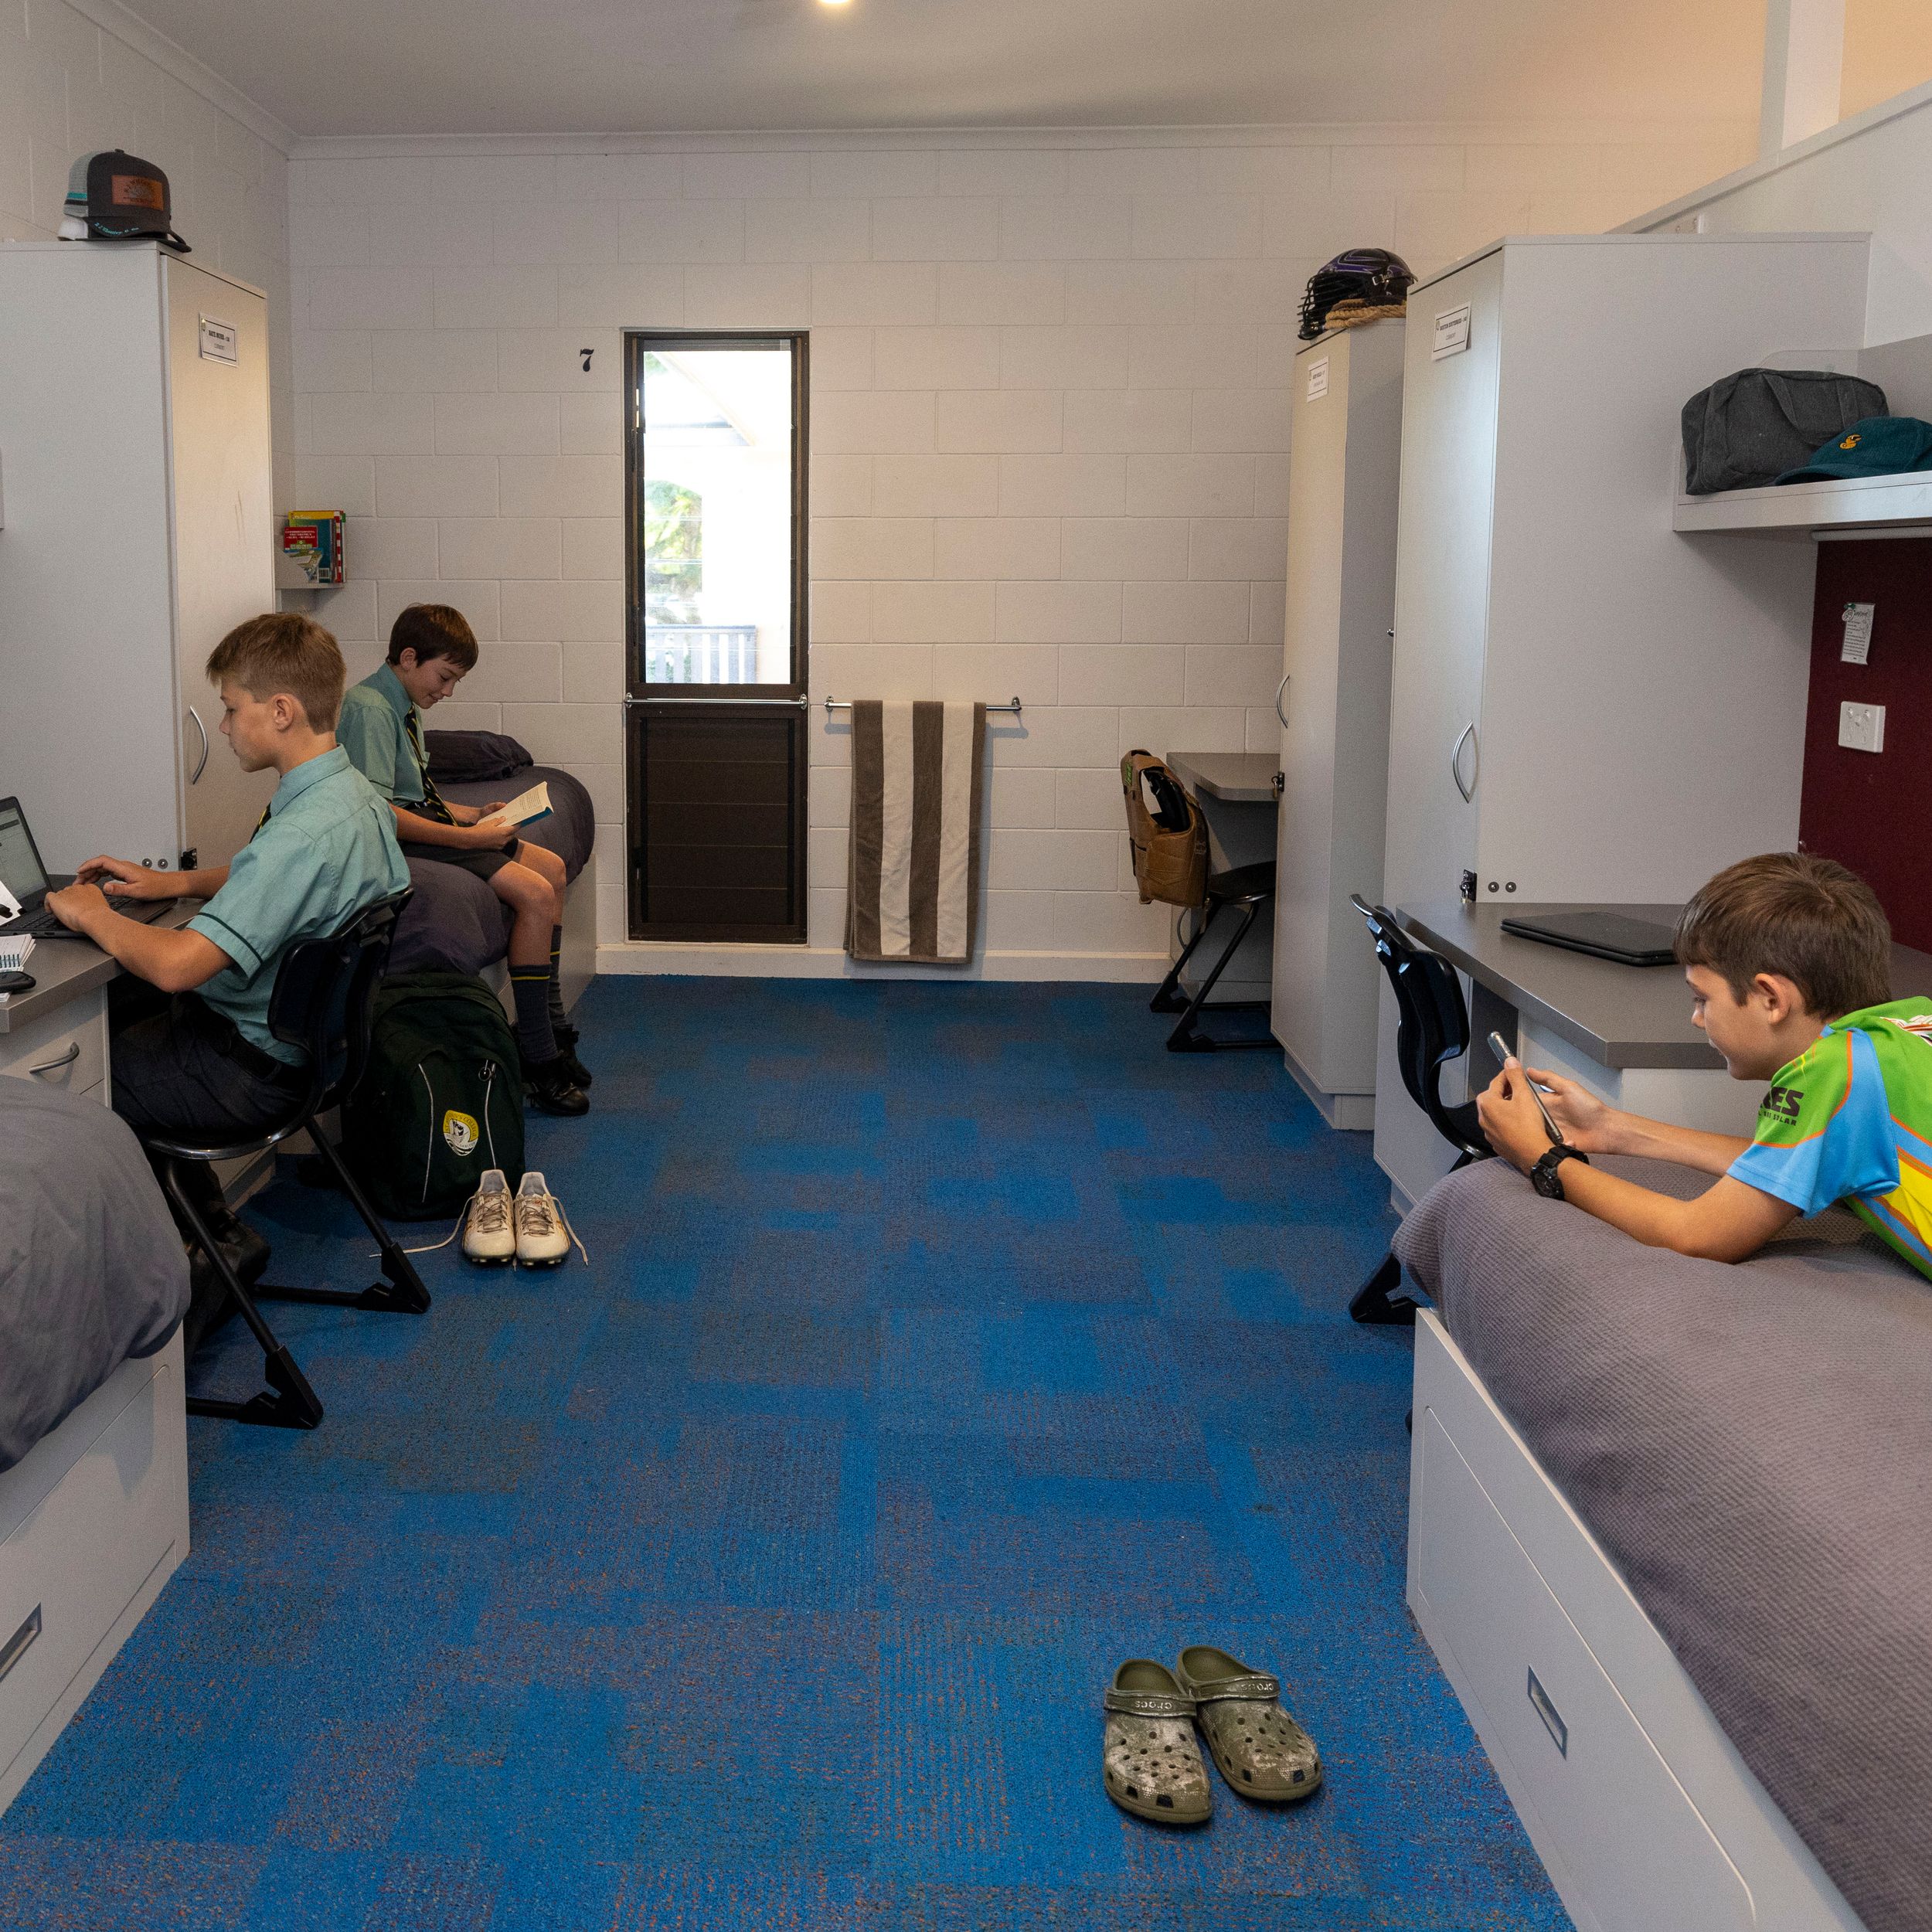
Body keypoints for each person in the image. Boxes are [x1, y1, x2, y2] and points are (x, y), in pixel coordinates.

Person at [46, 611, 410, 1335]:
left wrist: (90, 914)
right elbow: (269, 878)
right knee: (125, 1017)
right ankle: (218, 1234)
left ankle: (184, 1267)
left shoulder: (302, 833)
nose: (222, 724)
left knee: (79, 1083)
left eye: (230, 707)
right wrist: (172, 885)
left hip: (246, 1075)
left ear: (280, 711)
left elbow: (178, 968)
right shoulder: (354, 800)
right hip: (317, 1059)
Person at [1476, 852, 1932, 1277]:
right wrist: (1612, 1128)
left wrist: (1541, 1158)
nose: (1696, 1018)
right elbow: (1785, 1163)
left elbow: (1698, 1235)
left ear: (1771, 999)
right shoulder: (1906, 1025)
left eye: (1702, 998)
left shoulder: (1835, 1072)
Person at [336, 603, 590, 1117]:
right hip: (396, 842)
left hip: (423, 827)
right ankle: (538, 1054)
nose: (448, 691)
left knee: (553, 869)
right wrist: (465, 840)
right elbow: (378, 815)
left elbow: (417, 795)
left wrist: (475, 814)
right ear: (409, 657)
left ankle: (553, 1022)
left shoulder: (406, 704)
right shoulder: (368, 708)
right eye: (445, 676)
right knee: (535, 894)